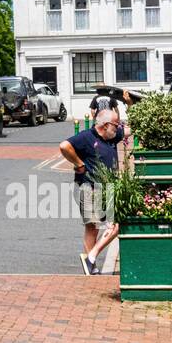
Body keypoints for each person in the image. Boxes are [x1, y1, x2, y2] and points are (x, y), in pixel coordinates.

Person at [59, 108, 123, 274]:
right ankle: (91, 264)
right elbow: (64, 146)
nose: (118, 129)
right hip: (88, 187)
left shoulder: (112, 136)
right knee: (93, 226)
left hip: (107, 189)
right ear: (105, 125)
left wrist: (130, 104)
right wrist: (79, 164)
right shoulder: (86, 137)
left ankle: (91, 258)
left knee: (113, 225)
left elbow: (130, 130)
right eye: (115, 125)